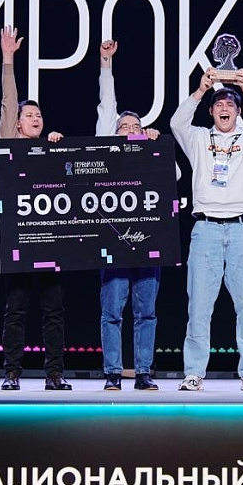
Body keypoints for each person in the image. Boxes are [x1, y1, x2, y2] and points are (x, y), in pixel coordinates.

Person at [170, 66, 243, 392]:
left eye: (230, 105)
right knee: (199, 308)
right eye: (218, 105)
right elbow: (176, 123)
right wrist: (200, 90)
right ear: (211, 112)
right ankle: (194, 373)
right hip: (206, 230)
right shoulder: (199, 138)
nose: (224, 109)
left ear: (238, 112)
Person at [0, 26, 71, 391]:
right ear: (16, 123)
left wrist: (59, 150)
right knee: (17, 309)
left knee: (54, 310)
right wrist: (8, 60)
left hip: (51, 240)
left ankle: (54, 373)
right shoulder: (9, 142)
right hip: (20, 238)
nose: (36, 118)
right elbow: (9, 100)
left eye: (39, 115)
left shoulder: (51, 147)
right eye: (29, 115)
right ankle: (12, 372)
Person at [95, 39, 163, 391]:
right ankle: (112, 372)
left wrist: (155, 147)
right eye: (124, 127)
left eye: (135, 127)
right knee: (112, 312)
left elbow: (174, 177)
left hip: (147, 242)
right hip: (113, 242)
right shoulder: (106, 151)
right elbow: (107, 107)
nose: (130, 130)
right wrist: (106, 64)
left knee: (146, 312)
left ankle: (143, 372)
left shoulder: (152, 154)